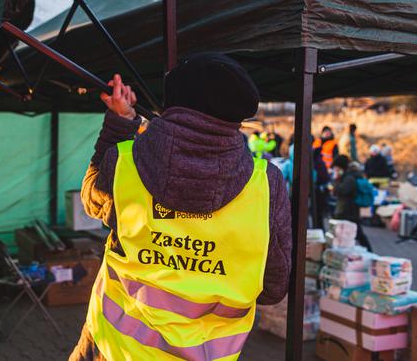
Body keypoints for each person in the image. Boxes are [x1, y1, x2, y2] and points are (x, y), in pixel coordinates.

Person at [70, 53, 292, 361]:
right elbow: (273, 287)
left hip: (110, 349)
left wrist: (120, 124)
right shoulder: (266, 183)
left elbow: (92, 201)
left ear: (171, 102)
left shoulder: (124, 162)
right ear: (239, 116)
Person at [332, 155, 373, 251]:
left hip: (348, 211)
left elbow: (342, 191)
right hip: (349, 211)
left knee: (358, 234)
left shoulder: (349, 178)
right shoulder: (348, 176)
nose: (335, 170)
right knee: (354, 234)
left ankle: (369, 252)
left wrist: (336, 181)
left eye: (337, 168)